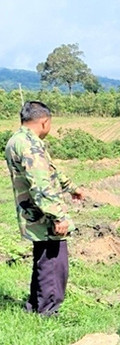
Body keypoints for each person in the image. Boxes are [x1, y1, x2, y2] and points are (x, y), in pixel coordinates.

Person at [5, 101, 84, 316]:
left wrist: (71, 188)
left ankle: (36, 304)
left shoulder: (17, 140)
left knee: (43, 259)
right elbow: (41, 184)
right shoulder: (30, 145)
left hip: (31, 211)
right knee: (53, 262)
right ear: (44, 121)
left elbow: (50, 170)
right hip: (43, 214)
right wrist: (58, 216)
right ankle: (47, 310)